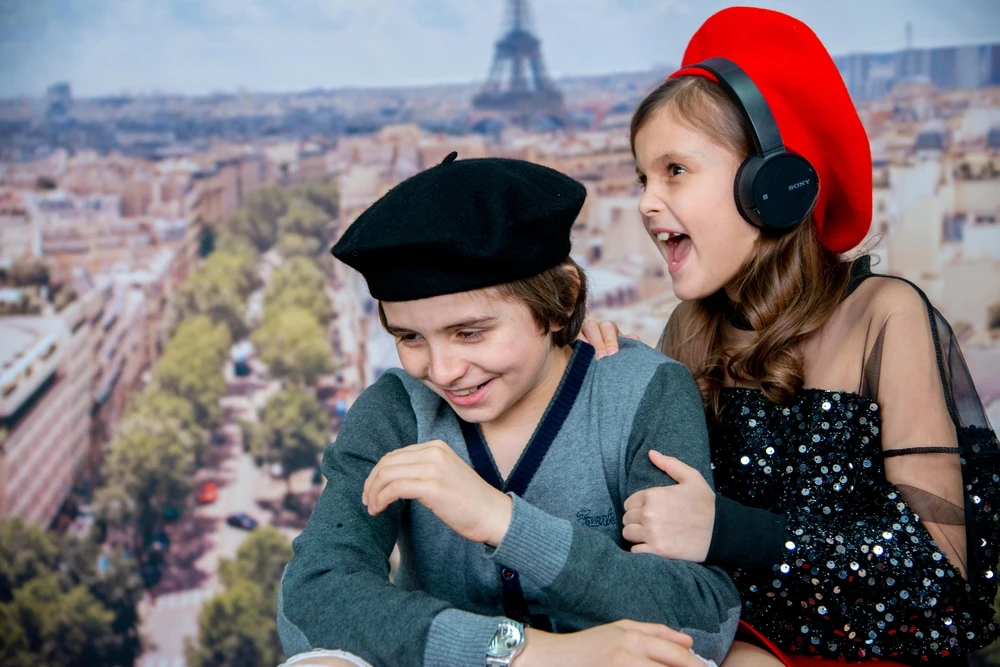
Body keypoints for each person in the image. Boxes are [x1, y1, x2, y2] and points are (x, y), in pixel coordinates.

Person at [582, 7, 1000, 666]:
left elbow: (939, 574)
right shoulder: (687, 335)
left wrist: (734, 531)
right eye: (642, 177)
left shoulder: (884, 317)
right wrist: (597, 398)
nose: (644, 201)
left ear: (771, 183)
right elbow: (648, 538)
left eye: (675, 171)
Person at [276, 154, 741, 667]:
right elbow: (313, 599)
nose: (444, 370)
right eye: (410, 337)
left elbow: (702, 622)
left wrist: (503, 521)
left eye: (470, 332)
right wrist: (528, 653)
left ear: (562, 300)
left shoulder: (645, 391)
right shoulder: (393, 411)